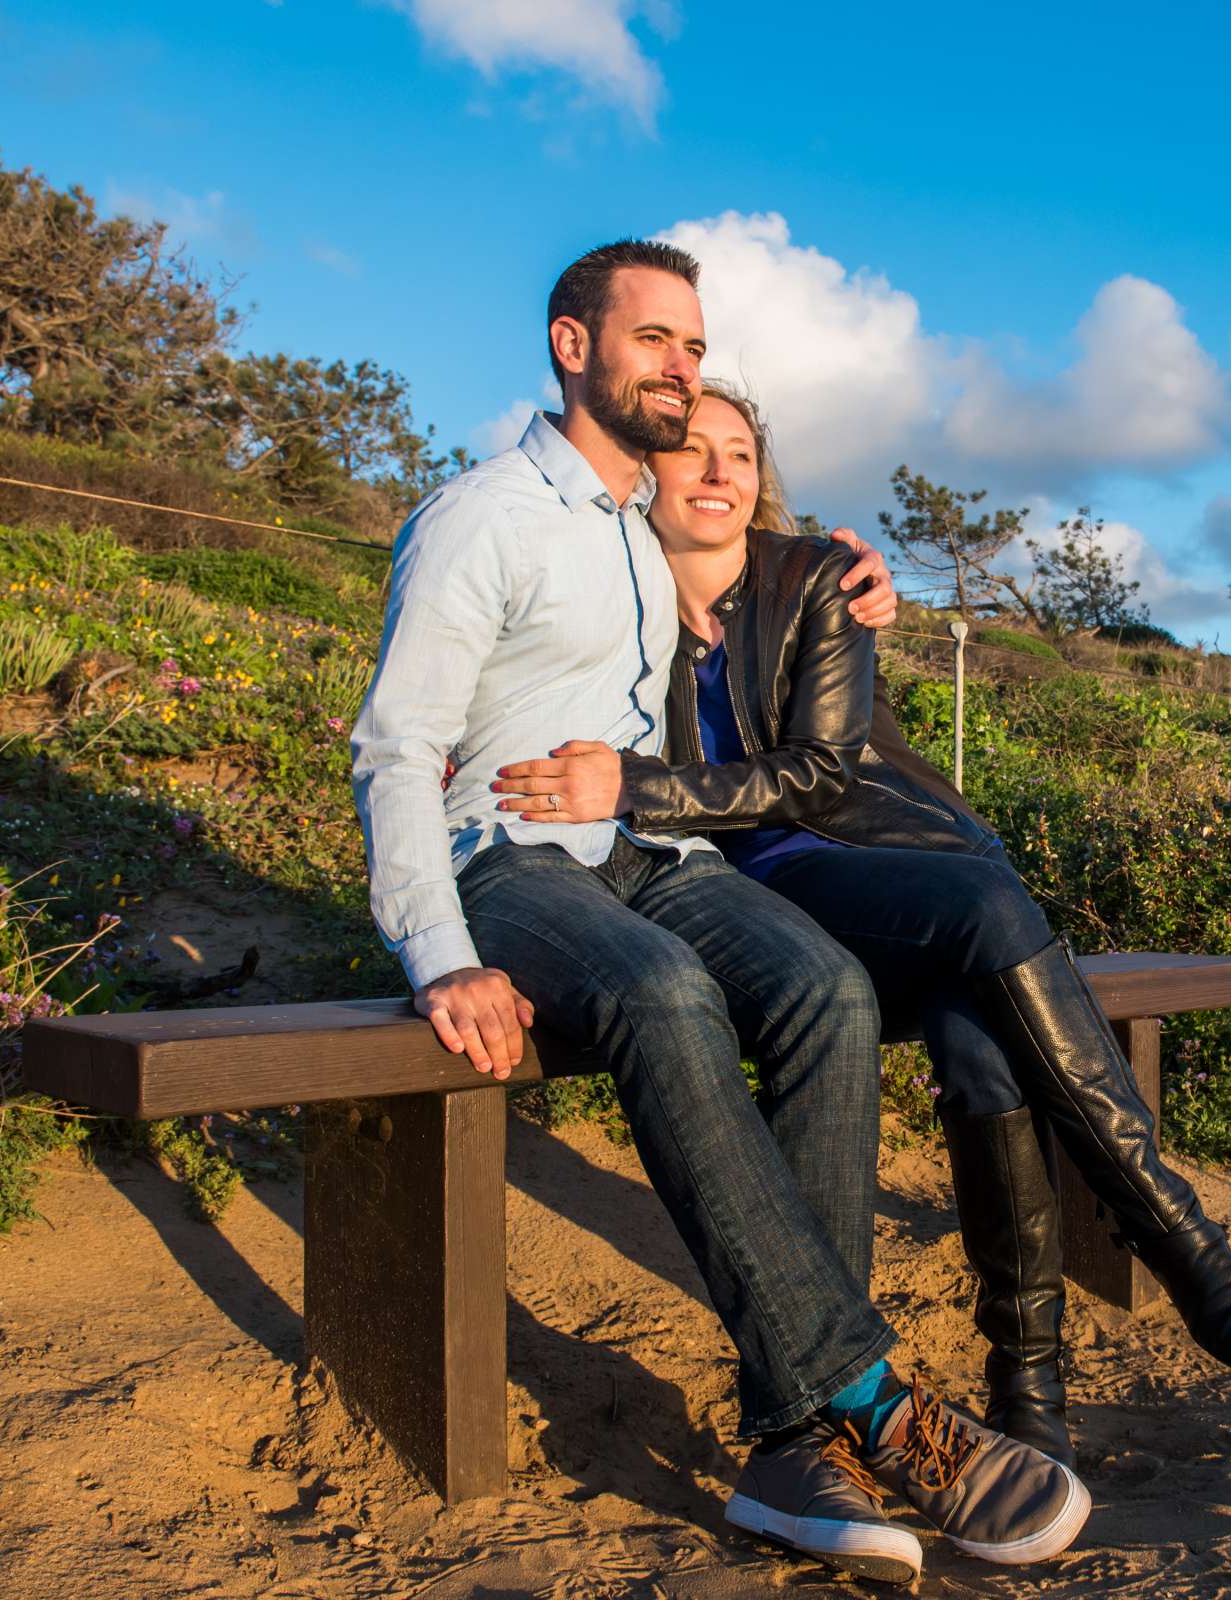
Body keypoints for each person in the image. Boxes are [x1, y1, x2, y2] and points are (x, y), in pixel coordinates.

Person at [351, 241, 1086, 1584]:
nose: (681, 369)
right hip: (510, 866)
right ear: (575, 347)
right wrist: (443, 957)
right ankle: (869, 1406)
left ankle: (786, 1449)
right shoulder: (483, 517)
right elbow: (396, 748)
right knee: (667, 995)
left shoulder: (639, 530)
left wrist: (854, 579)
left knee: (826, 990)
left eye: (695, 346)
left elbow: (740, 567)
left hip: (655, 854)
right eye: (653, 341)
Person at [490, 381, 1231, 1470]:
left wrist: (647, 786)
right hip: (754, 900)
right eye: (692, 448)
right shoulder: (606, 594)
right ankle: (1119, 1297)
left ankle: (1070, 1338)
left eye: (740, 451)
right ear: (644, 468)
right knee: (982, 969)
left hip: (877, 857)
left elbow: (819, 777)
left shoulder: (818, 576)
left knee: (977, 991)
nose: (720, 469)